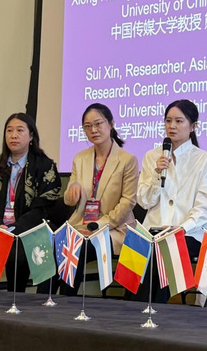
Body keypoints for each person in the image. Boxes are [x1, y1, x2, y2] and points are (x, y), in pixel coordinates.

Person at [136, 99, 207, 302]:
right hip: (154, 230)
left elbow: (206, 207)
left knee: (162, 251)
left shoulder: (203, 159)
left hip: (190, 233)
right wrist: (157, 174)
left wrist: (181, 228)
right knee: (136, 251)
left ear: (193, 126)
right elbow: (144, 201)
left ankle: (152, 310)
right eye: (168, 121)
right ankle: (136, 311)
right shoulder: (152, 156)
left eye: (179, 121)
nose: (172, 126)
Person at [0, 112, 62, 292]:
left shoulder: (45, 166)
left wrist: (15, 228)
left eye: (20, 130)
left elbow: (45, 206)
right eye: (9, 131)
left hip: (31, 230)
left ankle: (18, 299)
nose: (13, 135)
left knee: (18, 256)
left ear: (31, 136)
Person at [62, 103, 138, 295]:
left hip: (114, 229)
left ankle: (66, 301)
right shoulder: (80, 158)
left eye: (98, 124)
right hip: (81, 225)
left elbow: (128, 202)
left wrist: (97, 227)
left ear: (111, 124)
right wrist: (72, 192)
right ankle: (52, 301)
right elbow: (69, 201)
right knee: (58, 244)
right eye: (88, 126)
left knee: (79, 247)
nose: (93, 130)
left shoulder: (127, 160)